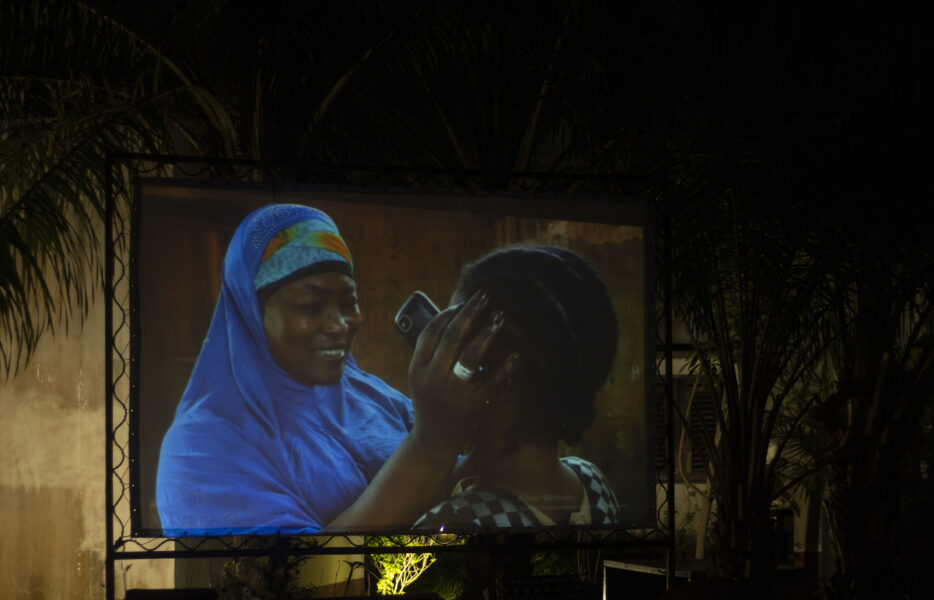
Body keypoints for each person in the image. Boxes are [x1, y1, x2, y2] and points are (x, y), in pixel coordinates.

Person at [156, 203, 416, 535]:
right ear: (253, 313)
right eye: (309, 305)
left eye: (349, 302)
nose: (340, 325)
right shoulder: (201, 448)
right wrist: (432, 442)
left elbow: (458, 482)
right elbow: (301, 575)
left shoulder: (372, 394)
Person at [412, 244, 622, 530]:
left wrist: (431, 432)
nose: (442, 361)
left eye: (455, 344)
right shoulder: (590, 479)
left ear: (497, 382)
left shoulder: (451, 524)